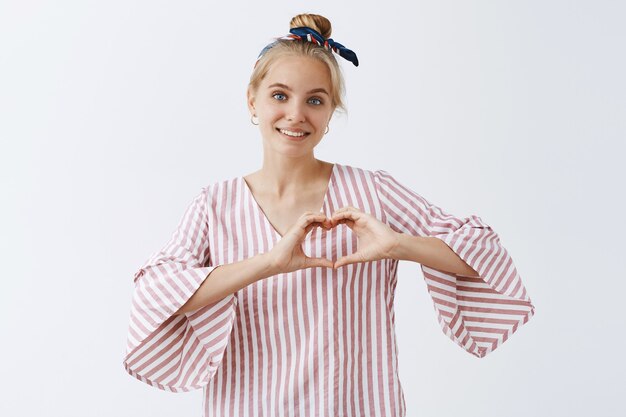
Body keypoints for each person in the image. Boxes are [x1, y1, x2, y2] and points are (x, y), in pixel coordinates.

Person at [123, 13, 535, 417]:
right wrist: (268, 263)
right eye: (280, 95)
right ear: (253, 100)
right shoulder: (215, 205)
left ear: (331, 112)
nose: (296, 114)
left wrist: (400, 245)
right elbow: (155, 295)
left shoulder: (371, 192)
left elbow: (484, 254)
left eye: (315, 100)